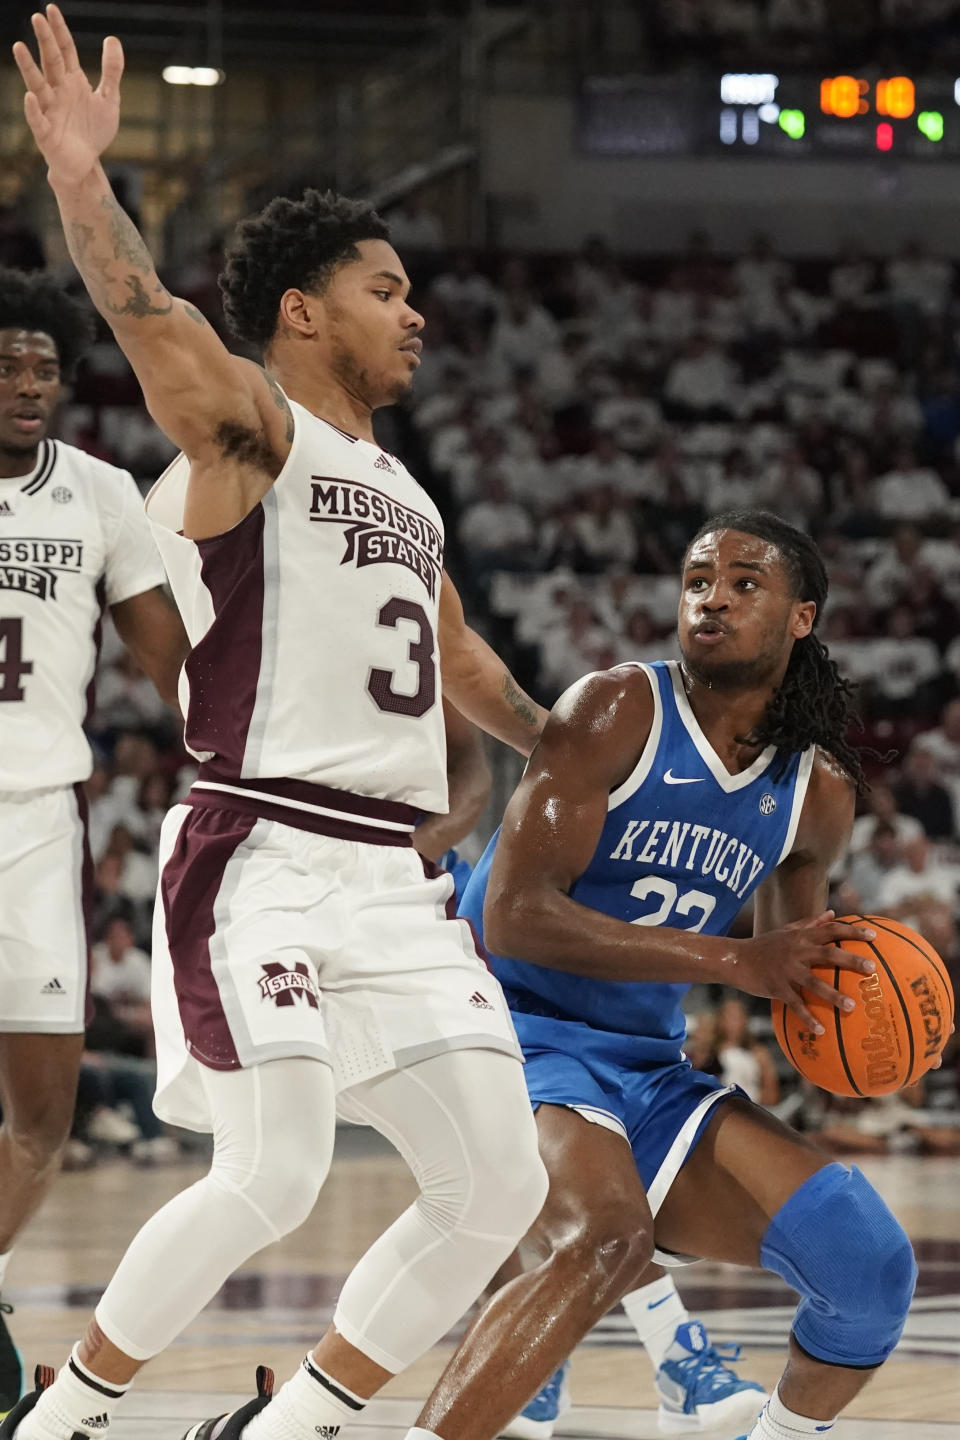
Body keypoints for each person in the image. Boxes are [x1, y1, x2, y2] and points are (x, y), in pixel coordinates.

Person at [7, 11, 550, 1440]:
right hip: (263, 850)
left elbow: (456, 652)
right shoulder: (253, 431)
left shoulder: (408, 491)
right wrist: (78, 182)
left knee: (502, 1181)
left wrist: (553, 739)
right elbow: (142, 310)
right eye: (386, 287)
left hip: (392, 879)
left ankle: (293, 1424)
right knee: (275, 1170)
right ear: (305, 311)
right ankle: (64, 1419)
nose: (415, 311)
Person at [406, 511, 919, 1440]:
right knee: (604, 1238)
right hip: (502, 1029)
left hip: (644, 1068)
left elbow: (793, 975)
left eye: (743, 582)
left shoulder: (817, 792)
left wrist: (866, 1021)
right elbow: (515, 918)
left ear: (801, 617)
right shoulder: (615, 708)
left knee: (868, 1266)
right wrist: (736, 962)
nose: (712, 596)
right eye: (697, 579)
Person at [0, 262, 187, 1412]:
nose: (28, 381)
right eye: (6, 362)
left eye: (43, 365)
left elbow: (175, 665)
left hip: (33, 824)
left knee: (42, 1114)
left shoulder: (103, 495)